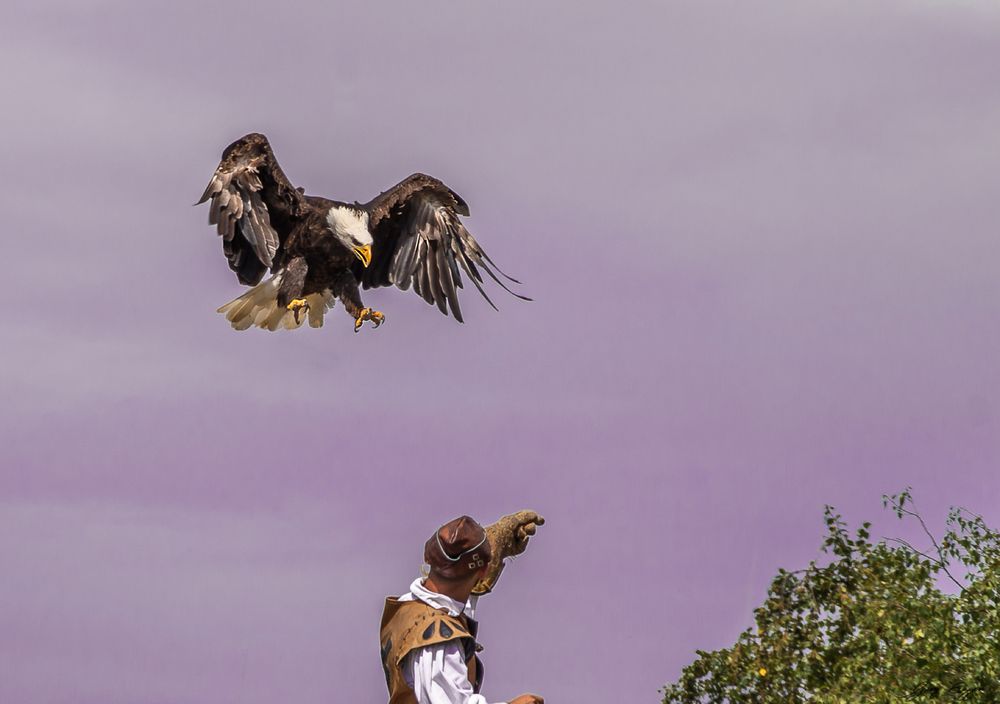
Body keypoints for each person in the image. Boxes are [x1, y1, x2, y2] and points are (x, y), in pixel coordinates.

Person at [379, 511, 545, 704]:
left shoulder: (411, 605)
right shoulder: (437, 640)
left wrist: (488, 549)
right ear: (483, 571)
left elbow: (454, 604)